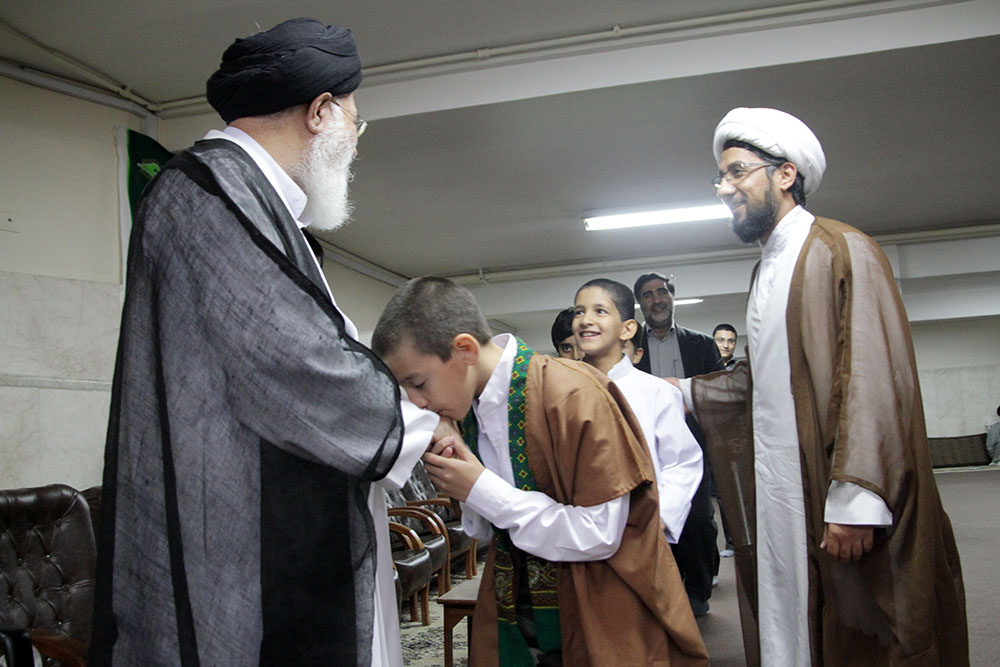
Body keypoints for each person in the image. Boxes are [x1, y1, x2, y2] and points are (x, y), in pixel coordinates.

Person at [90, 18, 441, 667]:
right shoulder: (210, 191)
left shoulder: (254, 200)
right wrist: (421, 429)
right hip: (234, 540)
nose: (355, 142)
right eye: (355, 122)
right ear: (319, 111)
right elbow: (296, 360)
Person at [681, 106, 967, 665]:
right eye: (720, 176)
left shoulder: (838, 247)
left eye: (738, 172)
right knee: (792, 609)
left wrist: (856, 499)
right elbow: (764, 380)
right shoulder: (766, 267)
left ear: (785, 175)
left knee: (863, 625)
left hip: (837, 492)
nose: (724, 188)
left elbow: (871, 375)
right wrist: (683, 391)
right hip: (783, 489)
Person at [372, 277, 708, 667]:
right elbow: (485, 530)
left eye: (417, 383)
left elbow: (600, 533)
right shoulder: (467, 406)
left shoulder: (572, 394)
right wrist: (460, 474)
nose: (417, 402)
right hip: (515, 600)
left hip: (599, 602)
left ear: (465, 350)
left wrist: (479, 488)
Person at [572, 278, 703, 543]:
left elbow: (682, 462)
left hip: (642, 529)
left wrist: (661, 518)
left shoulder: (657, 392)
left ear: (627, 328)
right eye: (579, 312)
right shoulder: (563, 389)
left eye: (600, 311)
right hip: (578, 529)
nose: (586, 320)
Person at [634, 272, 723, 616]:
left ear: (672, 297)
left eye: (662, 292)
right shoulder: (630, 346)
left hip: (692, 446)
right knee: (653, 520)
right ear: (640, 304)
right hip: (644, 448)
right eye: (648, 294)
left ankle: (698, 590)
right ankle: (666, 592)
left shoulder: (701, 344)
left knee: (698, 519)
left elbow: (718, 392)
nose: (656, 299)